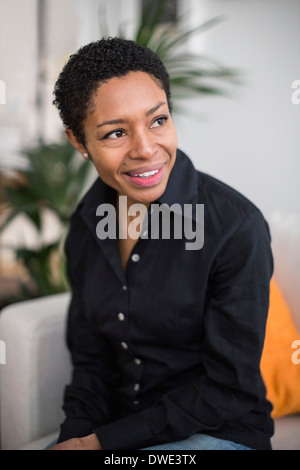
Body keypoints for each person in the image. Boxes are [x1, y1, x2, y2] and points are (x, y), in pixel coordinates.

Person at [50, 37, 274, 450]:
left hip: (216, 433)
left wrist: (100, 444)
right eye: (116, 132)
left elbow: (230, 388)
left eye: (157, 121)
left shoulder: (235, 227)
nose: (146, 149)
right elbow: (91, 364)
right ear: (79, 142)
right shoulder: (86, 224)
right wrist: (74, 438)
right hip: (119, 432)